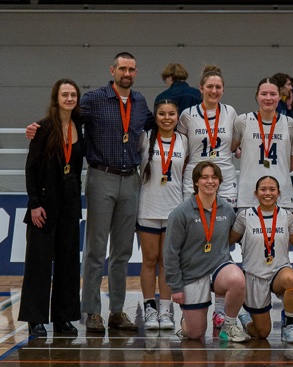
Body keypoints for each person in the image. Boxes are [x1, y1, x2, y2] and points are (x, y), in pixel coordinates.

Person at [78, 52, 152, 334]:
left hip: (130, 179)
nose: (127, 73)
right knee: (96, 250)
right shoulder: (94, 99)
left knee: (122, 251)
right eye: (122, 68)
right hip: (101, 176)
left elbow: (156, 125)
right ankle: (92, 312)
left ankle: (117, 312)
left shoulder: (140, 101)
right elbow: (67, 118)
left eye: (132, 69)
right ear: (113, 70)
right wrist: (41, 126)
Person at [18, 79, 84, 336]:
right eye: (65, 94)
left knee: (68, 264)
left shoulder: (79, 126)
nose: (69, 98)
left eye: (73, 95)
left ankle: (63, 318)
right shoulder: (43, 128)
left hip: (69, 203)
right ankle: (35, 319)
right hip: (45, 204)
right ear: (56, 98)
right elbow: (31, 168)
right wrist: (34, 204)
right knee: (39, 264)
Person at [162, 160, 246, 342]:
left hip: (219, 266)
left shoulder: (227, 209)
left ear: (220, 181)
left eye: (214, 177)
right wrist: (176, 287)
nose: (210, 181)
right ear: (196, 182)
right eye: (205, 177)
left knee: (237, 279)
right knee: (195, 333)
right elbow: (170, 253)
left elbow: (240, 239)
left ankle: (229, 325)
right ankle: (186, 320)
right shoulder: (181, 213)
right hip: (192, 272)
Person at [231, 174, 293, 343]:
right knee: (262, 333)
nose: (268, 193)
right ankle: (244, 317)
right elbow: (229, 240)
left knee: (291, 278)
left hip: (279, 270)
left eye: (272, 189)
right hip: (254, 274)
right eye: (263, 189)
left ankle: (290, 326)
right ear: (256, 193)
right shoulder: (245, 216)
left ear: (279, 193)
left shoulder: (287, 216)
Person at [136, 99, 188, 333]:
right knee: (149, 259)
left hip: (174, 209)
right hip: (148, 206)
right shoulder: (145, 138)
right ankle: (150, 307)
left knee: (167, 261)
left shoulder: (184, 141)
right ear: (155, 116)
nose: (167, 118)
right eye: (162, 114)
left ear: (177, 117)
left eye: (171, 114)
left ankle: (166, 309)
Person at [177, 65, 238, 204]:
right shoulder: (188, 114)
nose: (214, 91)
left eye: (218, 87)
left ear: (223, 89)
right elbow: (181, 148)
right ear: (201, 88)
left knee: (224, 222)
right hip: (196, 176)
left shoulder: (230, 112)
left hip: (225, 176)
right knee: (194, 222)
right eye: (210, 86)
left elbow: (235, 143)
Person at [233, 78, 293, 208]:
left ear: (279, 96)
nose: (268, 98)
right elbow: (230, 148)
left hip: (281, 195)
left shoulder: (289, 123)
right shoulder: (243, 121)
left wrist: (280, 171)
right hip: (249, 195)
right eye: (264, 94)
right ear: (257, 96)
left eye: (273, 94)